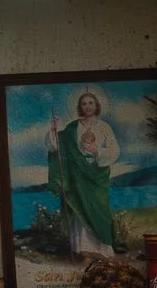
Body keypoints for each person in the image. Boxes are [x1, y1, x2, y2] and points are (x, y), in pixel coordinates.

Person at [50, 90, 121, 258]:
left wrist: (96, 150)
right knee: (80, 209)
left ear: (97, 105)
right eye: (84, 103)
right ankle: (83, 250)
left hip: (97, 174)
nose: (88, 106)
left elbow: (115, 151)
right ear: (79, 107)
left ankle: (102, 249)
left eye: (91, 102)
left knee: (100, 210)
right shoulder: (73, 127)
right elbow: (60, 145)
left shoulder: (104, 127)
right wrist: (54, 130)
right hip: (76, 176)